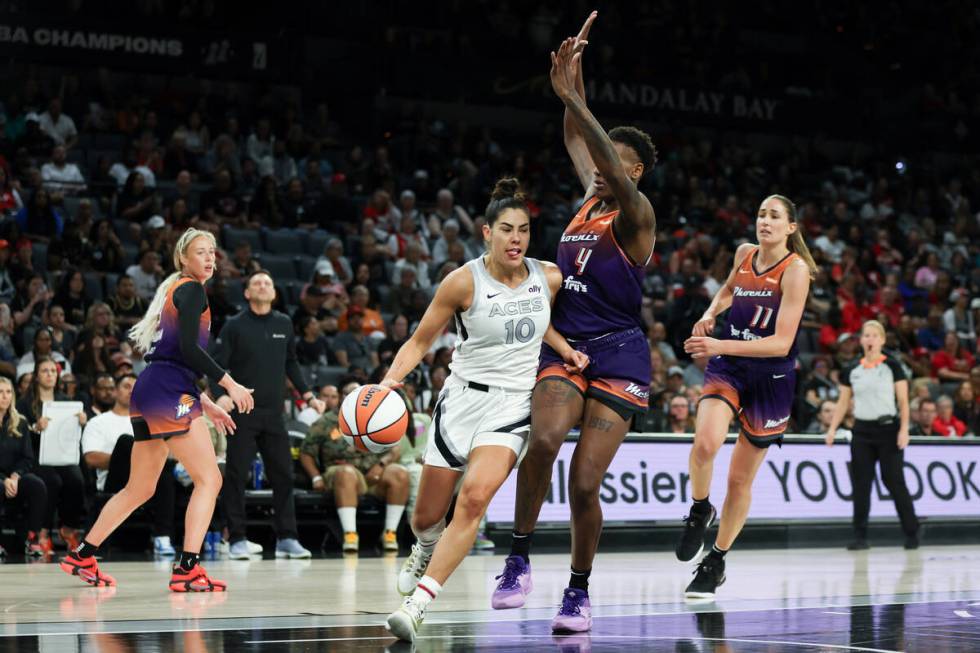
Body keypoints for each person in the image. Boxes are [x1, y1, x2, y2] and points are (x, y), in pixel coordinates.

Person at [492, 15, 658, 633]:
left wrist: (576, 98)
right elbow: (573, 134)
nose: (597, 163)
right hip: (566, 346)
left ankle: (578, 590)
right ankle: (518, 555)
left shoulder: (636, 214)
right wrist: (573, 78)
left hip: (619, 355)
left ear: (633, 171)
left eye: (612, 158)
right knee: (541, 442)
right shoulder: (589, 196)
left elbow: (599, 150)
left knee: (586, 485)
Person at [384, 178, 585, 643]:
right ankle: (426, 548)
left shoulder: (548, 276)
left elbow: (538, 324)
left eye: (524, 230)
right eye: (507, 229)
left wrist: (565, 348)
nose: (516, 239)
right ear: (486, 233)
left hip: (512, 405)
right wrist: (389, 381)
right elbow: (419, 341)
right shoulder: (461, 281)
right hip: (460, 400)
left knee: (474, 499)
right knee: (426, 517)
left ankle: (417, 606)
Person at [60, 228, 253, 591]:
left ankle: (82, 554)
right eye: (201, 252)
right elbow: (190, 352)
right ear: (183, 258)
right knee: (209, 479)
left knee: (140, 488)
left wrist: (205, 403)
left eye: (212, 252)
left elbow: (176, 357)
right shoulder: (191, 289)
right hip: (166, 390)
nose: (210, 258)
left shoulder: (176, 290)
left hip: (152, 387)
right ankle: (187, 569)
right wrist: (230, 384)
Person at [674, 193, 816, 599]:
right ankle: (700, 508)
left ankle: (716, 559)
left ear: (791, 227)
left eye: (774, 216)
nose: (764, 221)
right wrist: (710, 313)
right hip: (731, 366)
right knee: (704, 445)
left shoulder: (796, 270)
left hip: (770, 376)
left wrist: (719, 345)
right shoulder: (744, 253)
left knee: (739, 480)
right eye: (760, 214)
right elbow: (728, 290)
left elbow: (780, 342)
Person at [210, 269, 326, 560]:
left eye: (268, 283)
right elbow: (216, 365)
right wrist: (221, 395)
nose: (263, 285)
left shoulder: (284, 323)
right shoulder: (234, 326)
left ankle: (288, 537)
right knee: (236, 476)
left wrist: (309, 395)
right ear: (247, 293)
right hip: (243, 413)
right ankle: (236, 538)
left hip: (274, 414)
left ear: (274, 293)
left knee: (284, 476)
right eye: (256, 283)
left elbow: (291, 363)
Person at [825, 320, 919, 550]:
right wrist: (832, 428)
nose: (870, 339)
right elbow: (843, 402)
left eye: (874, 336)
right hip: (862, 432)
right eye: (866, 335)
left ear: (882, 340)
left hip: (889, 430)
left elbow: (904, 402)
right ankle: (860, 536)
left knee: (894, 481)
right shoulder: (852, 370)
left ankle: (912, 532)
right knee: (861, 484)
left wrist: (904, 429)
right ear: (861, 340)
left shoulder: (893, 366)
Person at [80, 373, 178, 556]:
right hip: (115, 479)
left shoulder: (152, 422)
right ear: (116, 391)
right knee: (126, 442)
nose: (132, 390)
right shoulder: (98, 422)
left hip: (147, 480)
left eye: (136, 386)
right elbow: (91, 458)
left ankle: (162, 537)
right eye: (126, 386)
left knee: (165, 470)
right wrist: (132, 459)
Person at [300, 405, 409, 553]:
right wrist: (316, 478)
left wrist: (381, 464)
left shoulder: (377, 417)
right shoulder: (326, 421)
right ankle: (350, 534)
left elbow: (395, 448)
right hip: (341, 471)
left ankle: (390, 532)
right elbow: (306, 452)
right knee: (346, 473)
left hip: (374, 472)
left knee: (400, 473)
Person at [17, 356, 87, 555]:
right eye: (45, 371)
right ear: (36, 377)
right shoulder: (25, 404)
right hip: (37, 456)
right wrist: (35, 428)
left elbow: (71, 434)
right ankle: (43, 532)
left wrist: (81, 422)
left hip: (62, 454)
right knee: (52, 481)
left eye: (53, 371)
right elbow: (21, 435)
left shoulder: (66, 401)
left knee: (76, 479)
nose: (50, 375)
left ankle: (68, 529)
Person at [0, 376, 48, 557]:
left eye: (8, 392)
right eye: (0, 392)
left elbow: (27, 457)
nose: (5, 396)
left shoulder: (19, 421)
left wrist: (15, 476)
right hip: (1, 479)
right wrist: (4, 480)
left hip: (14, 476)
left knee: (37, 484)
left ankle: (33, 537)